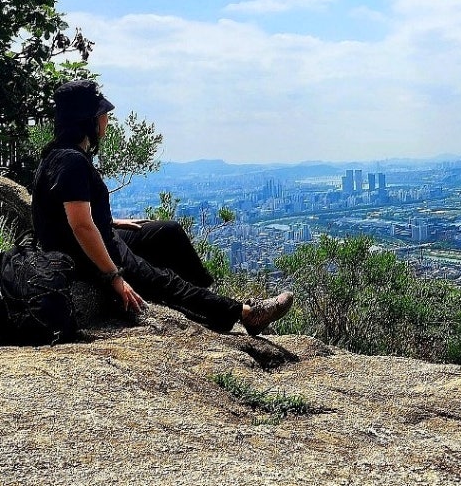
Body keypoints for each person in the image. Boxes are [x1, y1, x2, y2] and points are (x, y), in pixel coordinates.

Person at [31, 79, 293, 335]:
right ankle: (246, 314)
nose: (106, 120)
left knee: (167, 232)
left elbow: (65, 214)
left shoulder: (58, 155)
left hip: (91, 240)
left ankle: (208, 298)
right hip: (85, 256)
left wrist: (108, 221)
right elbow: (80, 225)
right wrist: (114, 276)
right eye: (102, 114)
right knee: (160, 280)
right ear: (87, 119)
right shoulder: (71, 161)